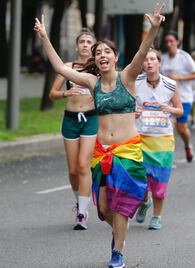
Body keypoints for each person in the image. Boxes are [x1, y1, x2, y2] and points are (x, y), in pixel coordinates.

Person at [34, 4, 165, 268]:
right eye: (98, 52)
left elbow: (141, 51)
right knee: (104, 210)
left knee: (120, 206)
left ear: (115, 57)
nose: (102, 55)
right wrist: (45, 37)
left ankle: (118, 251)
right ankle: (121, 230)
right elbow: (60, 67)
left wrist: (153, 28)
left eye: (107, 51)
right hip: (102, 151)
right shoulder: (92, 83)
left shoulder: (127, 77)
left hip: (127, 151)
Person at [49, 28, 97, 230]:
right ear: (77, 46)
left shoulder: (97, 68)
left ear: (94, 47)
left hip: (90, 118)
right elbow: (52, 93)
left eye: (89, 42)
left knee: (83, 165)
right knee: (73, 170)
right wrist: (65, 93)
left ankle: (82, 213)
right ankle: (80, 200)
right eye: (82, 41)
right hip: (70, 119)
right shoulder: (68, 67)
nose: (85, 45)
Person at [134, 49, 183, 230]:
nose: (148, 63)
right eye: (145, 60)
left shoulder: (170, 85)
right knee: (140, 179)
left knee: (160, 182)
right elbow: (128, 104)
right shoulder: (136, 82)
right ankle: (144, 201)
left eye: (152, 59)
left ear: (159, 63)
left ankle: (157, 216)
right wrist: (134, 110)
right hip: (140, 137)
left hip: (162, 140)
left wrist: (169, 109)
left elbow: (180, 110)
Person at [160, 31, 195, 162]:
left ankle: (188, 145)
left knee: (182, 129)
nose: (169, 44)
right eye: (167, 42)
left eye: (172, 41)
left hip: (184, 98)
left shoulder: (184, 57)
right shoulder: (163, 58)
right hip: (167, 99)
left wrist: (179, 78)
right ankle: (168, 157)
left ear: (177, 42)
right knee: (167, 126)